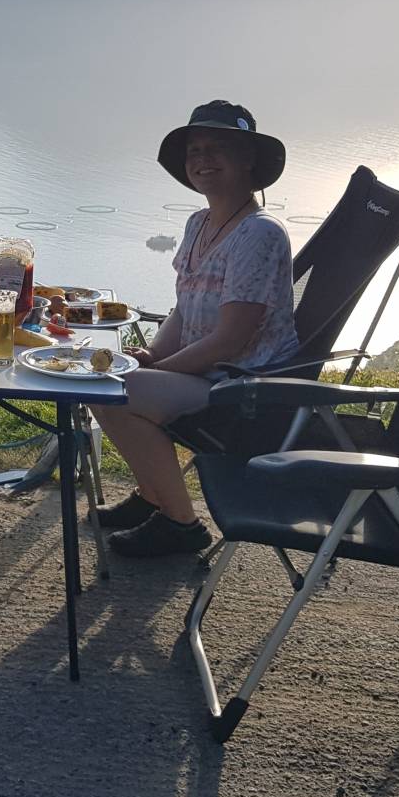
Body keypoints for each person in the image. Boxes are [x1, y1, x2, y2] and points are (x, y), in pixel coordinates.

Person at [91, 101, 301, 558]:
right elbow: (184, 311)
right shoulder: (198, 223)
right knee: (104, 383)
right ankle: (153, 497)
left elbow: (231, 340)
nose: (202, 159)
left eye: (216, 148)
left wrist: (158, 370)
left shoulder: (259, 233)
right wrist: (151, 357)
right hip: (206, 375)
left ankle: (180, 524)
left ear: (248, 159)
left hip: (244, 388)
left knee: (117, 391)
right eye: (194, 150)